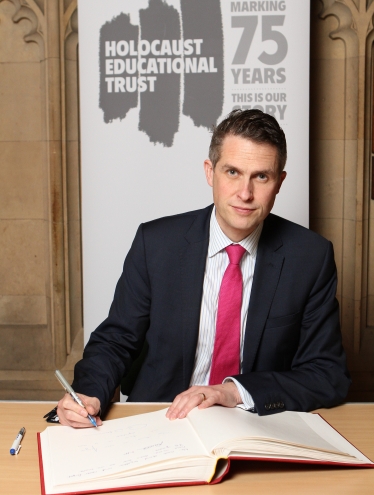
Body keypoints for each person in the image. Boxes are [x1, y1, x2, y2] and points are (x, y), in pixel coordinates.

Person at [58, 109, 350, 428]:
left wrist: (235, 391)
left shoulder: (309, 257)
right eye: (233, 172)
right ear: (210, 172)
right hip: (160, 419)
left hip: (253, 422)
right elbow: (117, 340)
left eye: (261, 176)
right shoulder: (156, 244)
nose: (245, 193)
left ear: (279, 182)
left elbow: (327, 374)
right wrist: (89, 394)